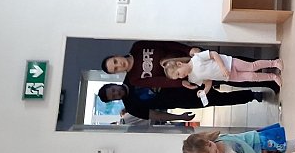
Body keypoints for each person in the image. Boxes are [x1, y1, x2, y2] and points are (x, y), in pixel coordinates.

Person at [101, 40, 280, 94]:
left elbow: (166, 44)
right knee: (231, 79)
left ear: (116, 56)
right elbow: (160, 82)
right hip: (184, 74)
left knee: (232, 62)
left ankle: (268, 64)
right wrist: (181, 82)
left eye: (115, 62)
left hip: (187, 59)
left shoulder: (138, 47)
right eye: (115, 69)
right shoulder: (134, 79)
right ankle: (268, 81)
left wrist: (188, 50)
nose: (119, 65)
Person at [97, 82, 267, 121]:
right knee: (219, 99)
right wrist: (179, 117)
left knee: (217, 79)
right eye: (114, 96)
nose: (117, 93)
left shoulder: (133, 77)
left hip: (183, 82)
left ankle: (258, 79)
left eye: (113, 90)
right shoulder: (132, 107)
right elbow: (156, 115)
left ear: (113, 85)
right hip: (183, 100)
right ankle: (251, 95)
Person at [162, 50, 283, 92]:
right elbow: (208, 81)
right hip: (228, 77)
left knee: (252, 66)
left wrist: (222, 67)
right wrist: (204, 91)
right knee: (252, 78)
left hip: (229, 63)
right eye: (178, 77)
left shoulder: (197, 58)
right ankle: (272, 77)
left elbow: (213, 54)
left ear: (179, 64)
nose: (181, 76)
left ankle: (274, 62)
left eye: (178, 73)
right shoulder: (192, 78)